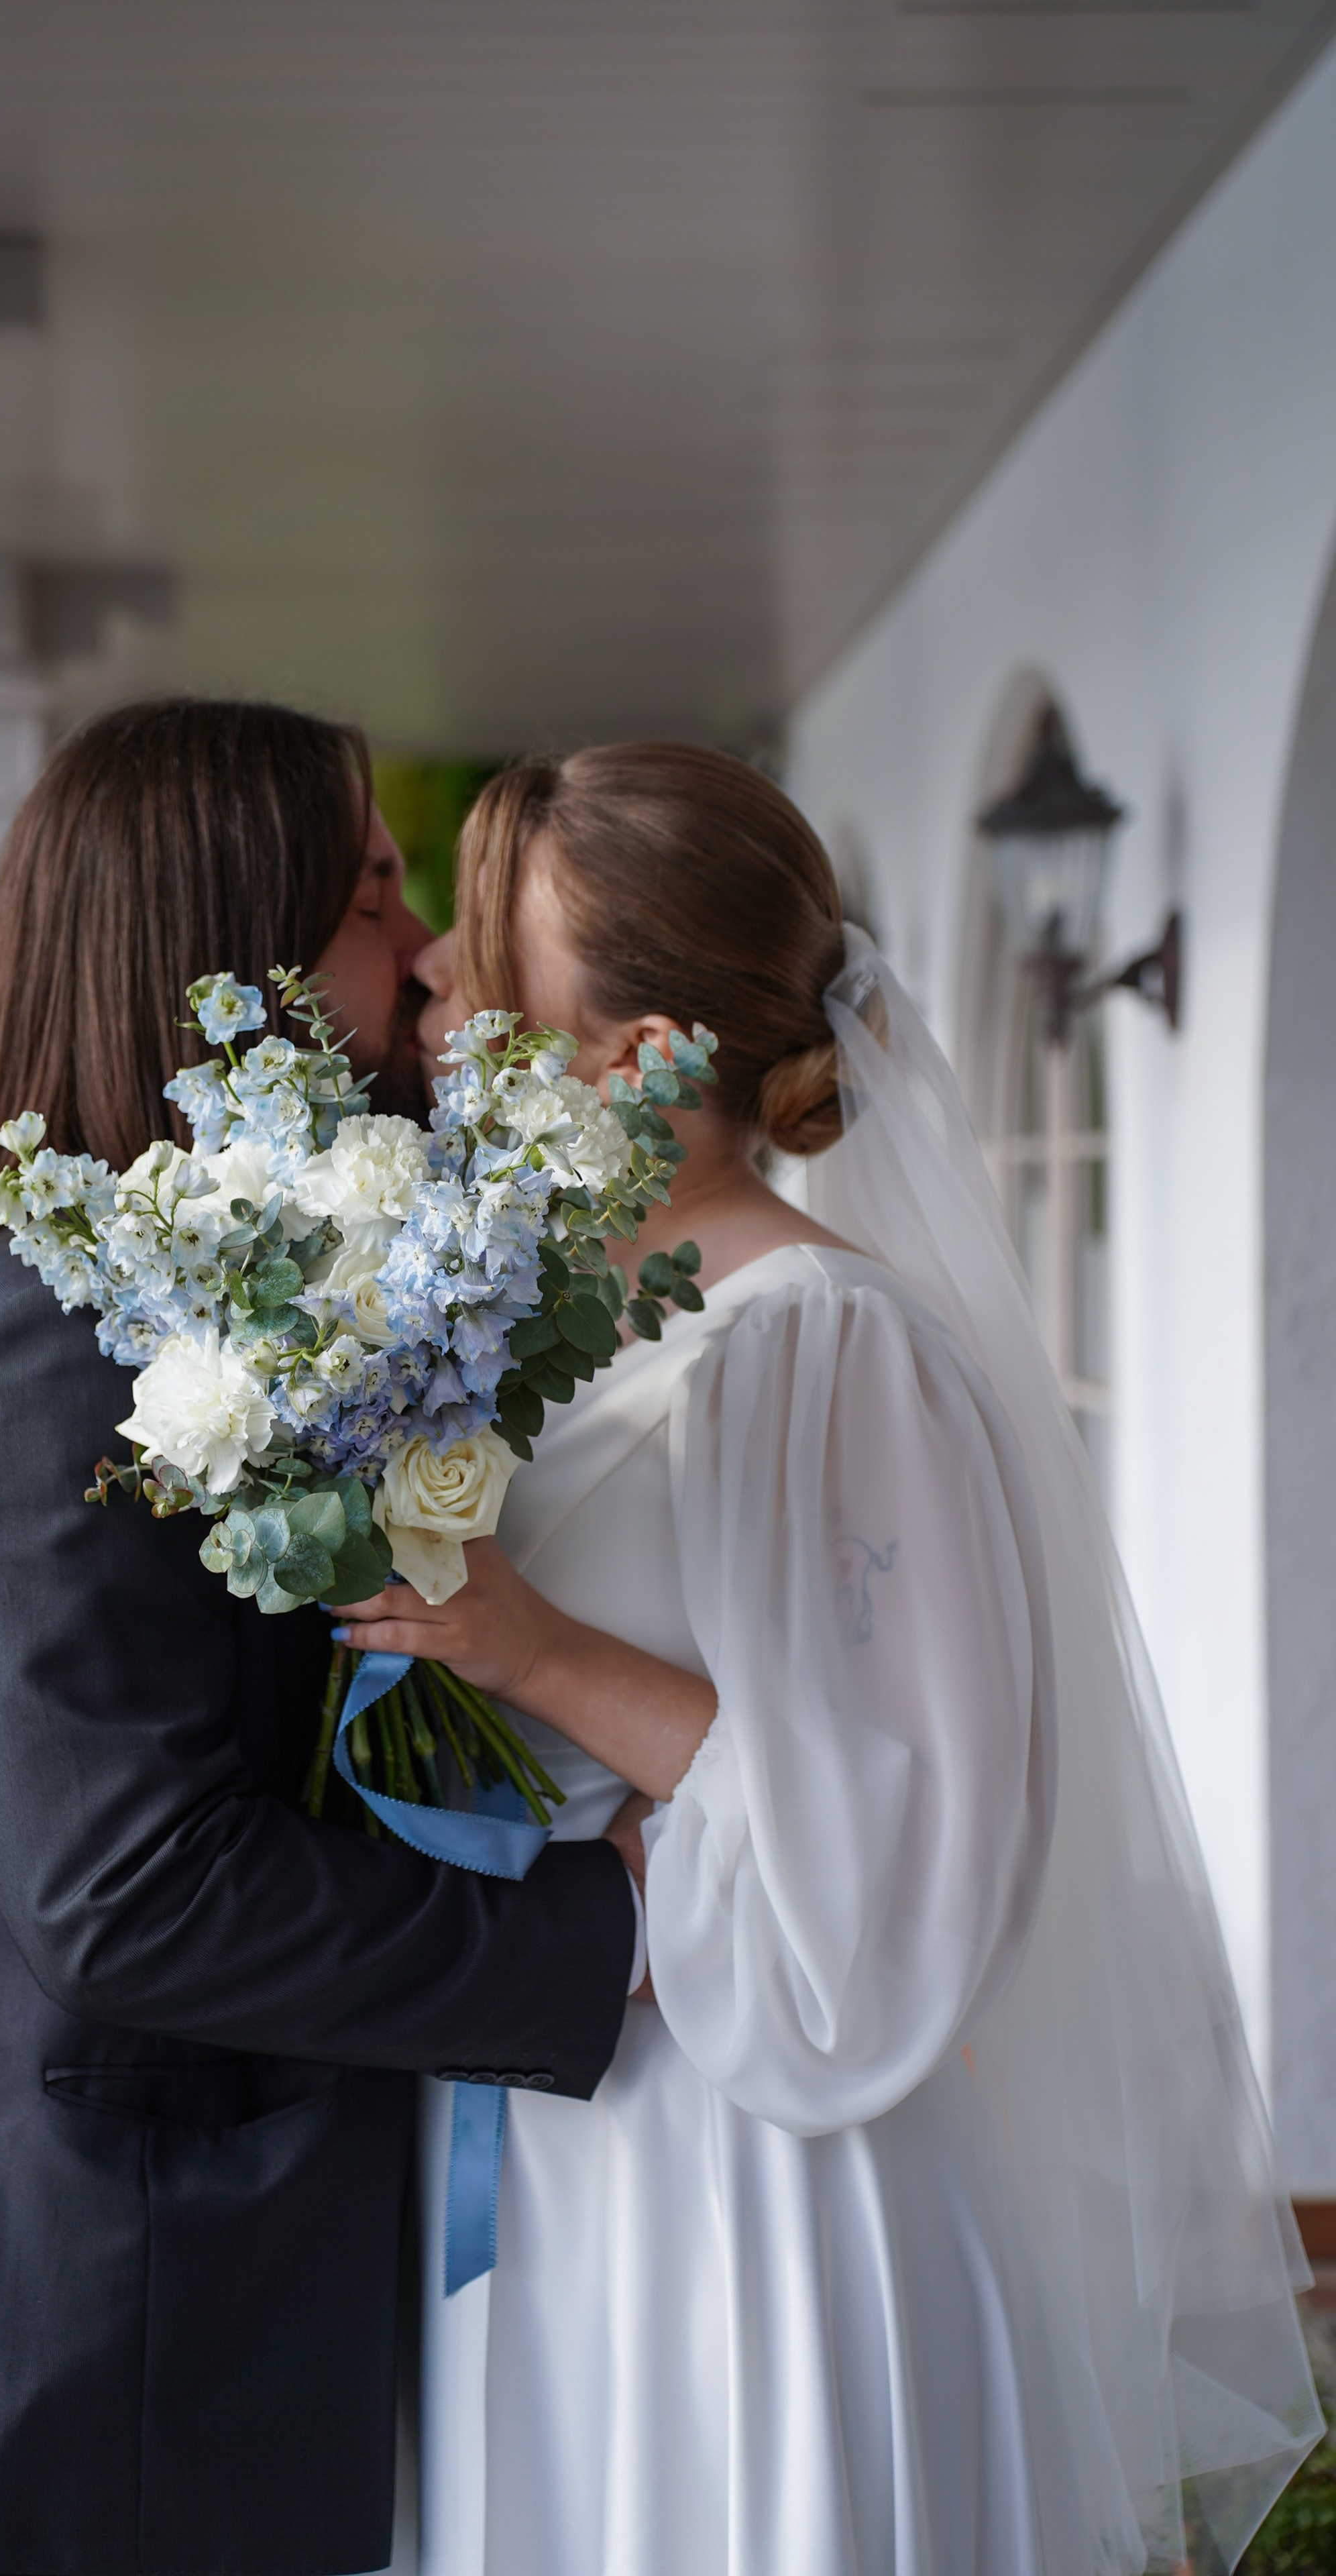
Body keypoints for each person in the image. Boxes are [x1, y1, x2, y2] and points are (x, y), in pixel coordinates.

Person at [341, 742, 1321, 2576]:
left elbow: (894, 1847)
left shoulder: (828, 1351)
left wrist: (529, 1650)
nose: (440, 984)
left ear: (638, 1062)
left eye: (489, 952)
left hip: (738, 2182)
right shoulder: (499, 1317)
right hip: (523, 2143)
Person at [0, 700, 642, 2576]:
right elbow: (133, 1891)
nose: (425, 955)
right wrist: (585, 1932)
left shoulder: (155, 1328)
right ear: (241, 960)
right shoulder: (35, 1371)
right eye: (373, 893)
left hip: (122, 2377)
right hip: (19, 2395)